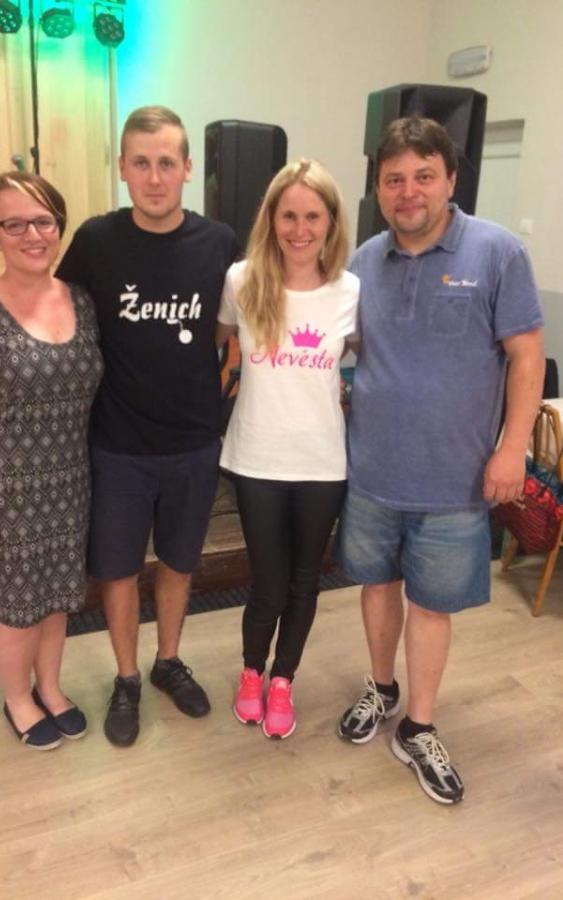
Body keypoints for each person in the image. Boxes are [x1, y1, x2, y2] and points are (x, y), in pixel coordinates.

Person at [336, 117, 545, 803]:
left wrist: (511, 448)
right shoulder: (362, 262)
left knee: (431, 606)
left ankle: (417, 726)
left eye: (423, 176)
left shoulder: (497, 252)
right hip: (371, 473)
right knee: (376, 587)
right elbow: (344, 349)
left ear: (450, 179)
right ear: (378, 187)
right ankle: (381, 688)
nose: (408, 191)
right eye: (394, 178)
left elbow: (526, 356)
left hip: (455, 481)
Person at [56, 105, 239, 748]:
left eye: (166, 162)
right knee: (118, 569)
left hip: (194, 442)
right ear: (122, 168)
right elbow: (58, 317)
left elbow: (237, 326)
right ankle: (127, 677)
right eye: (141, 163)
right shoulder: (95, 241)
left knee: (180, 563)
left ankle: (168, 661)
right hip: (118, 445)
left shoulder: (219, 243)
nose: (154, 177)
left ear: (187, 168)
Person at [0, 172, 104, 750]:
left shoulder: (81, 300)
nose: (32, 235)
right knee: (17, 609)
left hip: (70, 483)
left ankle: (50, 688)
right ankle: (17, 699)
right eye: (14, 224)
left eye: (43, 222)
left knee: (57, 599)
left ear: (58, 227)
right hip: (7, 489)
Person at [217, 159, 359, 739]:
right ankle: (252, 672)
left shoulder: (350, 290)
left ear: (331, 222)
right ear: (271, 219)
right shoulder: (241, 280)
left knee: (305, 582)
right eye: (289, 216)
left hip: (323, 462)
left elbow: (374, 360)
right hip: (257, 458)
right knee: (269, 582)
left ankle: (283, 680)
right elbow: (214, 345)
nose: (300, 230)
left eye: (313, 217)